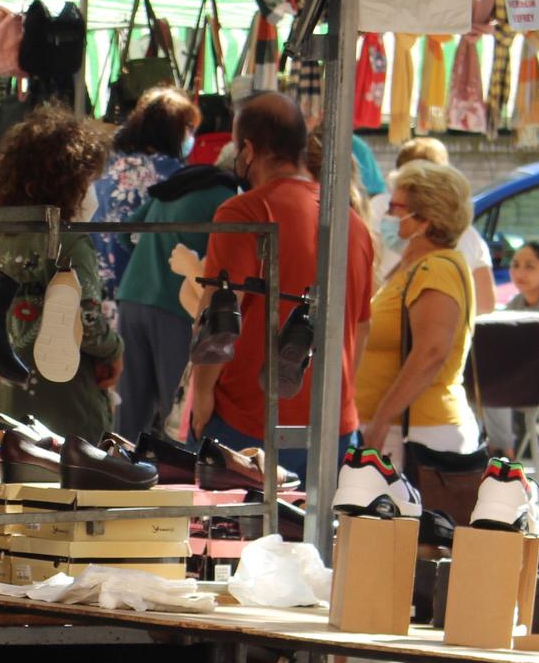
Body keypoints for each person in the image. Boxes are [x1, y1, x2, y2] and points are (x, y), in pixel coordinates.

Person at [172, 93, 376, 478]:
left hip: (248, 421)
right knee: (310, 538)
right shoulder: (354, 224)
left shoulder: (245, 211)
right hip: (333, 424)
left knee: (223, 536)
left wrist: (201, 398)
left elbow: (219, 315)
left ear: (248, 148)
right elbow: (361, 327)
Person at [355, 159, 483, 663]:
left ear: (426, 216)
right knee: (420, 557)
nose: (387, 213)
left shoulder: (436, 268)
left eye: (398, 206)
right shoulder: (415, 265)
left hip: (421, 434)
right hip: (414, 431)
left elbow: (430, 353)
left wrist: (379, 421)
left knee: (421, 561)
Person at [0, 105, 123, 441]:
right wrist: (114, 351)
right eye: (90, 181)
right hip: (62, 419)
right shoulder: (69, 243)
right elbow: (88, 322)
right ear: (72, 181)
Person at [111, 99, 238, 439]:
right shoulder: (228, 201)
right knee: (176, 410)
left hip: (132, 298)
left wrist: (145, 261)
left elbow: (127, 231)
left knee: (129, 412)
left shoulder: (176, 187)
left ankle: (117, 474)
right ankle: (176, 482)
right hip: (174, 308)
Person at [89, 86, 197, 294]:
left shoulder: (108, 165)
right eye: (189, 128)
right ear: (173, 130)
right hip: (140, 290)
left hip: (97, 286)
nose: (191, 136)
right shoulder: (170, 174)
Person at [370, 136, 494, 312]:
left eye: (393, 207)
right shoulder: (415, 263)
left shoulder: (435, 274)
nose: (388, 216)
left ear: (424, 219)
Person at [480, 240, 539, 446]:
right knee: (476, 385)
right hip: (533, 379)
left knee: (491, 389)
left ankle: (503, 455)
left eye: (529, 266)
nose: (520, 272)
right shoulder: (518, 301)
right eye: (515, 265)